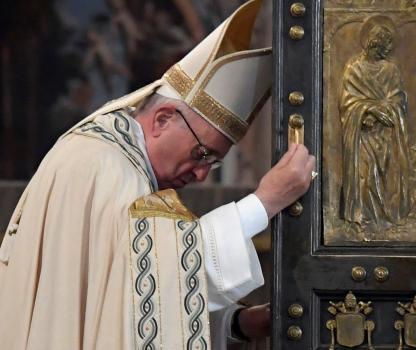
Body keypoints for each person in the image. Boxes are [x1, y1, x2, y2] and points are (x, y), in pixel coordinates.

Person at [0, 0, 316, 349]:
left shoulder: (114, 156)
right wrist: (264, 202)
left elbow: (130, 299)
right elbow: (154, 275)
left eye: (212, 163)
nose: (199, 174)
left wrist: (237, 323)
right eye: (202, 154)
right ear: (163, 119)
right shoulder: (102, 164)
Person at [339, 23, 410, 233]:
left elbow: (398, 99)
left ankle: (385, 218)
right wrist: (365, 112)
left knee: (386, 174)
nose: (388, 51)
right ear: (374, 43)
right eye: (385, 47)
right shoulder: (354, 68)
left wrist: (380, 113)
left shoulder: (391, 69)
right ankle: (365, 219)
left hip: (386, 132)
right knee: (365, 174)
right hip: (362, 133)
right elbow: (347, 102)